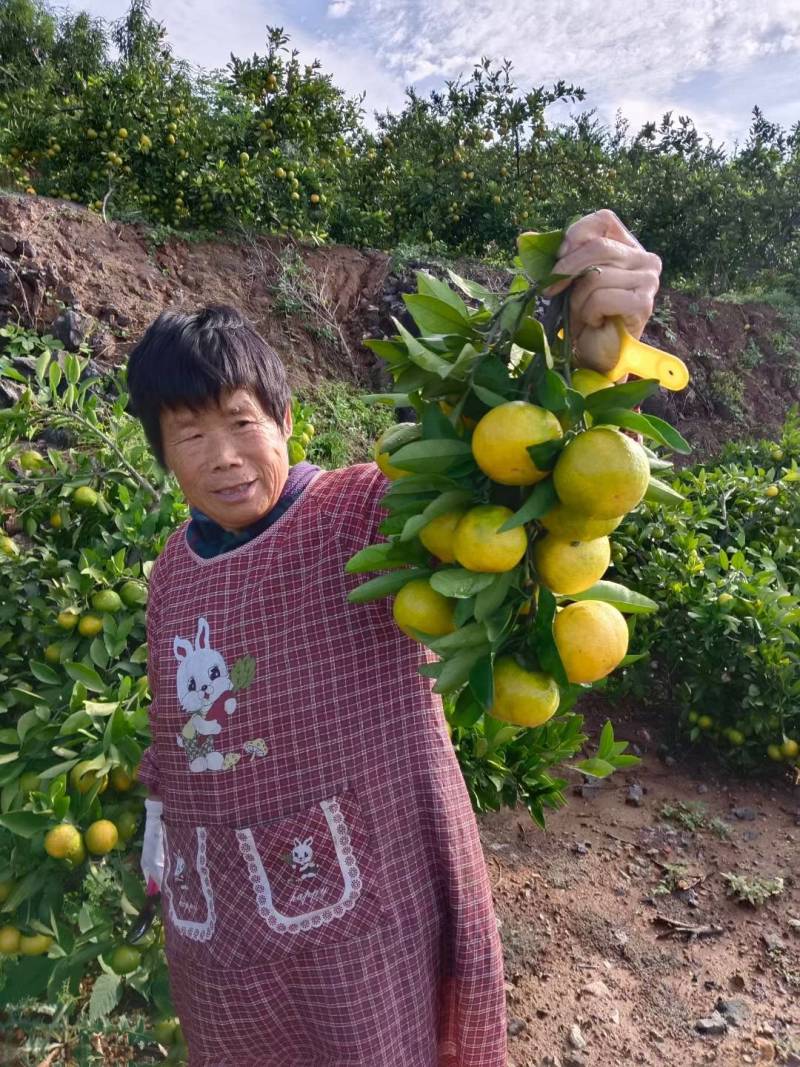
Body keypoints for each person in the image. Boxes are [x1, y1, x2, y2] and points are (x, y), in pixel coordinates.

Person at [129, 208, 661, 1067]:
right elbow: (171, 715)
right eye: (190, 435)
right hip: (215, 916)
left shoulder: (359, 509)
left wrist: (582, 356)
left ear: (286, 419)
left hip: (363, 907)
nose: (222, 455)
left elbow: (499, 478)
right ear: (162, 452)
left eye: (240, 422)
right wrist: (160, 817)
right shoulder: (175, 563)